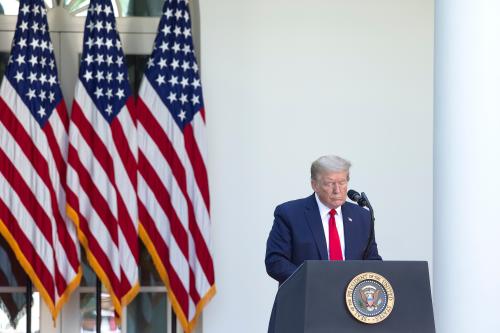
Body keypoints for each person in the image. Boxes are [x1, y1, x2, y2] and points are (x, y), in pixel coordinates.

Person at [265, 154, 382, 285]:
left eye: (342, 182)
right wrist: (313, 281)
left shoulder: (362, 216)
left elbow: (372, 261)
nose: (337, 190)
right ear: (314, 185)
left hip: (349, 301)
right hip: (306, 297)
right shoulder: (290, 214)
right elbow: (275, 261)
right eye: (329, 183)